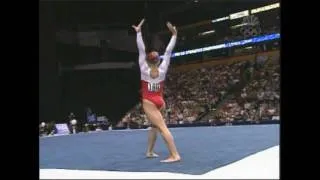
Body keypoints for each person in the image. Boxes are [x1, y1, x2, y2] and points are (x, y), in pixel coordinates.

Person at [132, 19, 181, 163]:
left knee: (162, 128)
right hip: (160, 101)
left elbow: (141, 49)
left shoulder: (144, 69)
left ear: (147, 61)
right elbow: (168, 50)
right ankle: (149, 151)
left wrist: (139, 33)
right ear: (158, 61)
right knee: (154, 126)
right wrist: (174, 35)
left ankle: (175, 154)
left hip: (149, 102)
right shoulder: (163, 67)